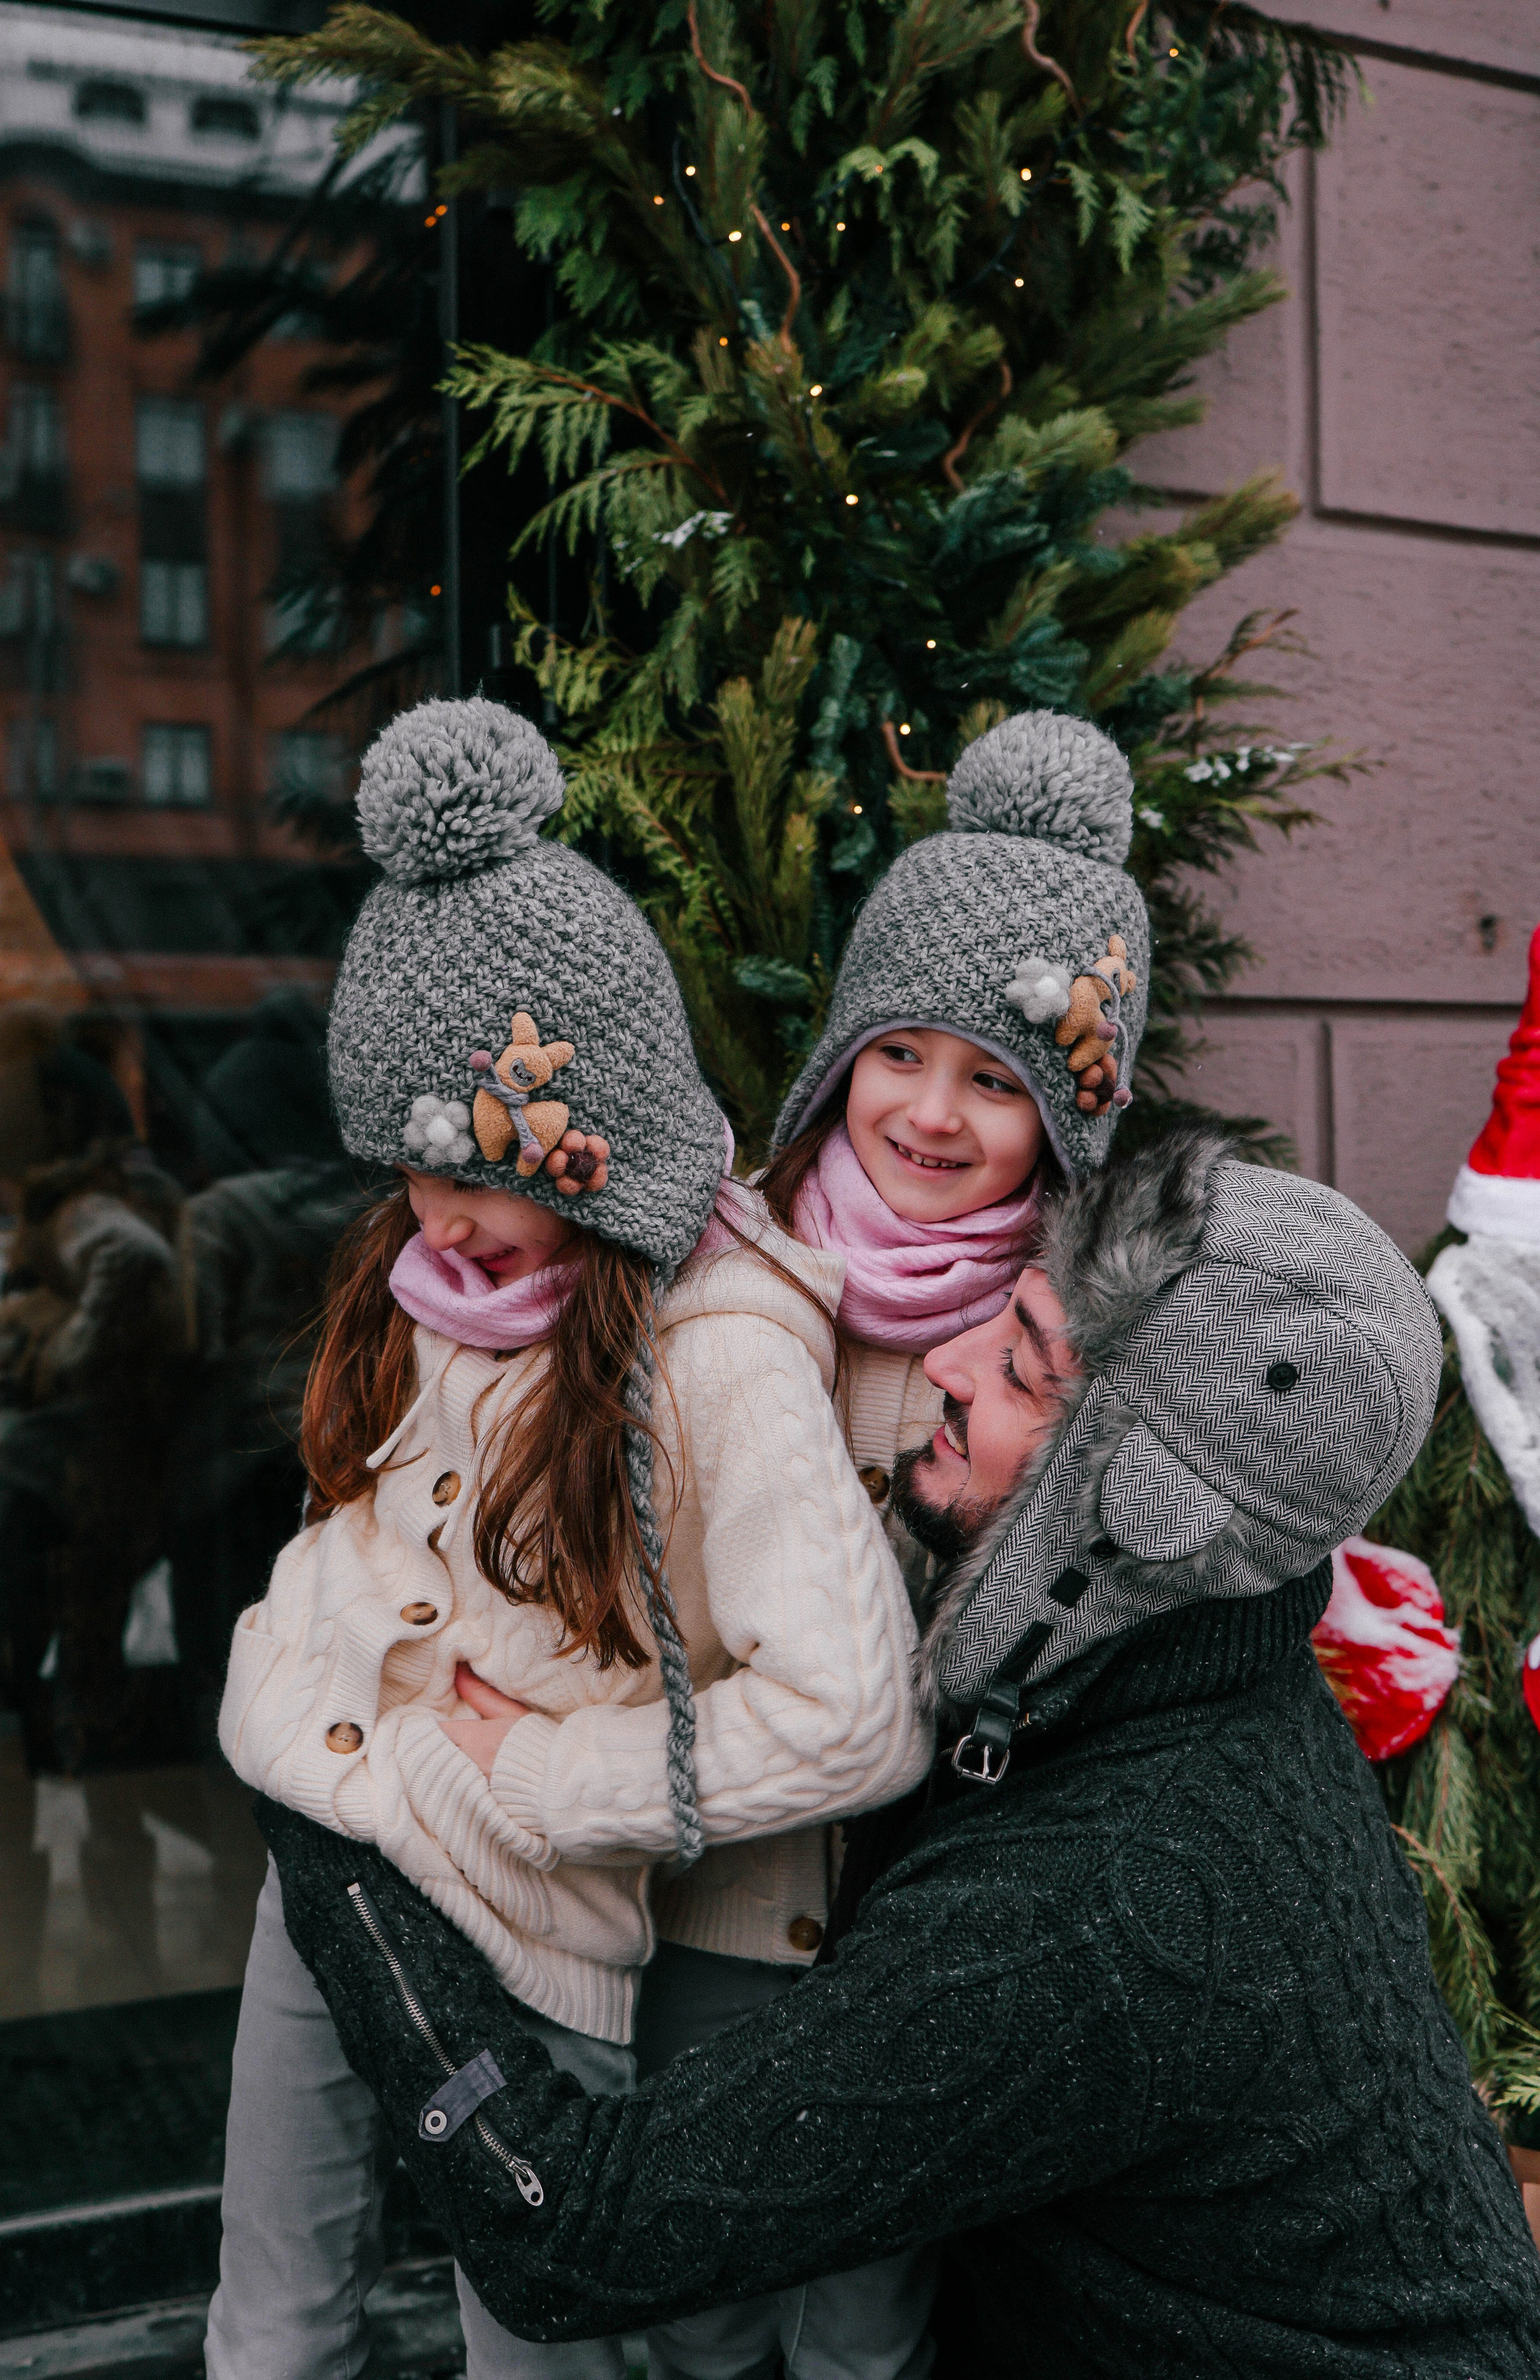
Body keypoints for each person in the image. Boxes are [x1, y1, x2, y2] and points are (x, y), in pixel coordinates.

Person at [262, 1129, 1540, 2376]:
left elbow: (571, 2231)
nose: (945, 1356)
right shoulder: (1176, 1676)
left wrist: (340, 1825)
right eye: (1006, 1309)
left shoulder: (1108, 1897)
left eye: (1025, 1370)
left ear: (1145, 1514)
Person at [206, 700, 929, 2380]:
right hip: (325, 1842)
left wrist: (553, 1783)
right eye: (403, 1163)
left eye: (466, 1166)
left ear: (592, 1129)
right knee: (274, 2316)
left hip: (530, 1924)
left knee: (540, 2338)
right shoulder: (441, 1284)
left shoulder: (722, 1355)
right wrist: (288, 1680)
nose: (431, 1214)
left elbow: (855, 1712)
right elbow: (363, 1519)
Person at [594, 706, 1150, 2374]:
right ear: (843, 1057)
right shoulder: (735, 1284)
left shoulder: (1064, 1348)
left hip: (923, 1940)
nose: (931, 1110)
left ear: (1066, 1119)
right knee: (695, 2301)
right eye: (902, 1051)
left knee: (868, 2324)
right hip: (719, 1900)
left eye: (998, 1080)